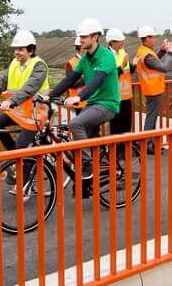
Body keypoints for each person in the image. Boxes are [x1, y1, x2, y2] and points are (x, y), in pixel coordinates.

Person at [47, 19, 120, 188]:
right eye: (80, 37)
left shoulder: (106, 56)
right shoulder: (85, 58)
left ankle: (88, 165)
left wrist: (79, 97)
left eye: (84, 37)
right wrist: (50, 95)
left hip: (107, 104)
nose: (81, 40)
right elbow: (70, 78)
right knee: (80, 140)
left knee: (75, 124)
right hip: (93, 104)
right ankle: (88, 185)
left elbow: (97, 81)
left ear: (95, 37)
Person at [0, 30, 49, 151]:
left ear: (31, 50)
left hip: (35, 114)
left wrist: (11, 101)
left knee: (21, 146)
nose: (16, 52)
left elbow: (29, 88)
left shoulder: (39, 66)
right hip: (17, 111)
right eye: (15, 49)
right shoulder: (14, 63)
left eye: (20, 49)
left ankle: (24, 167)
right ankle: (13, 155)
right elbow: (0, 83)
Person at [133, 25, 172, 151]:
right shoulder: (147, 55)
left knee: (152, 116)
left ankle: (149, 143)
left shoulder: (144, 51)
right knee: (151, 117)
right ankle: (147, 144)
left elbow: (153, 62)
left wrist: (162, 51)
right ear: (146, 38)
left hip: (151, 88)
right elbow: (164, 67)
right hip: (153, 89)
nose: (155, 39)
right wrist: (170, 52)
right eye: (152, 37)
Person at [106, 28, 133, 135]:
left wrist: (134, 64)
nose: (123, 42)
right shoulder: (106, 55)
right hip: (114, 98)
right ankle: (117, 151)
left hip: (126, 96)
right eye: (120, 40)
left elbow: (128, 70)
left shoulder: (123, 52)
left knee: (126, 126)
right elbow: (108, 76)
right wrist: (121, 67)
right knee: (116, 126)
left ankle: (126, 150)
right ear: (112, 42)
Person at [64, 35, 85, 108]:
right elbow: (70, 83)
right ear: (82, 47)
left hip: (90, 101)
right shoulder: (71, 63)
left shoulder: (91, 61)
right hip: (78, 102)